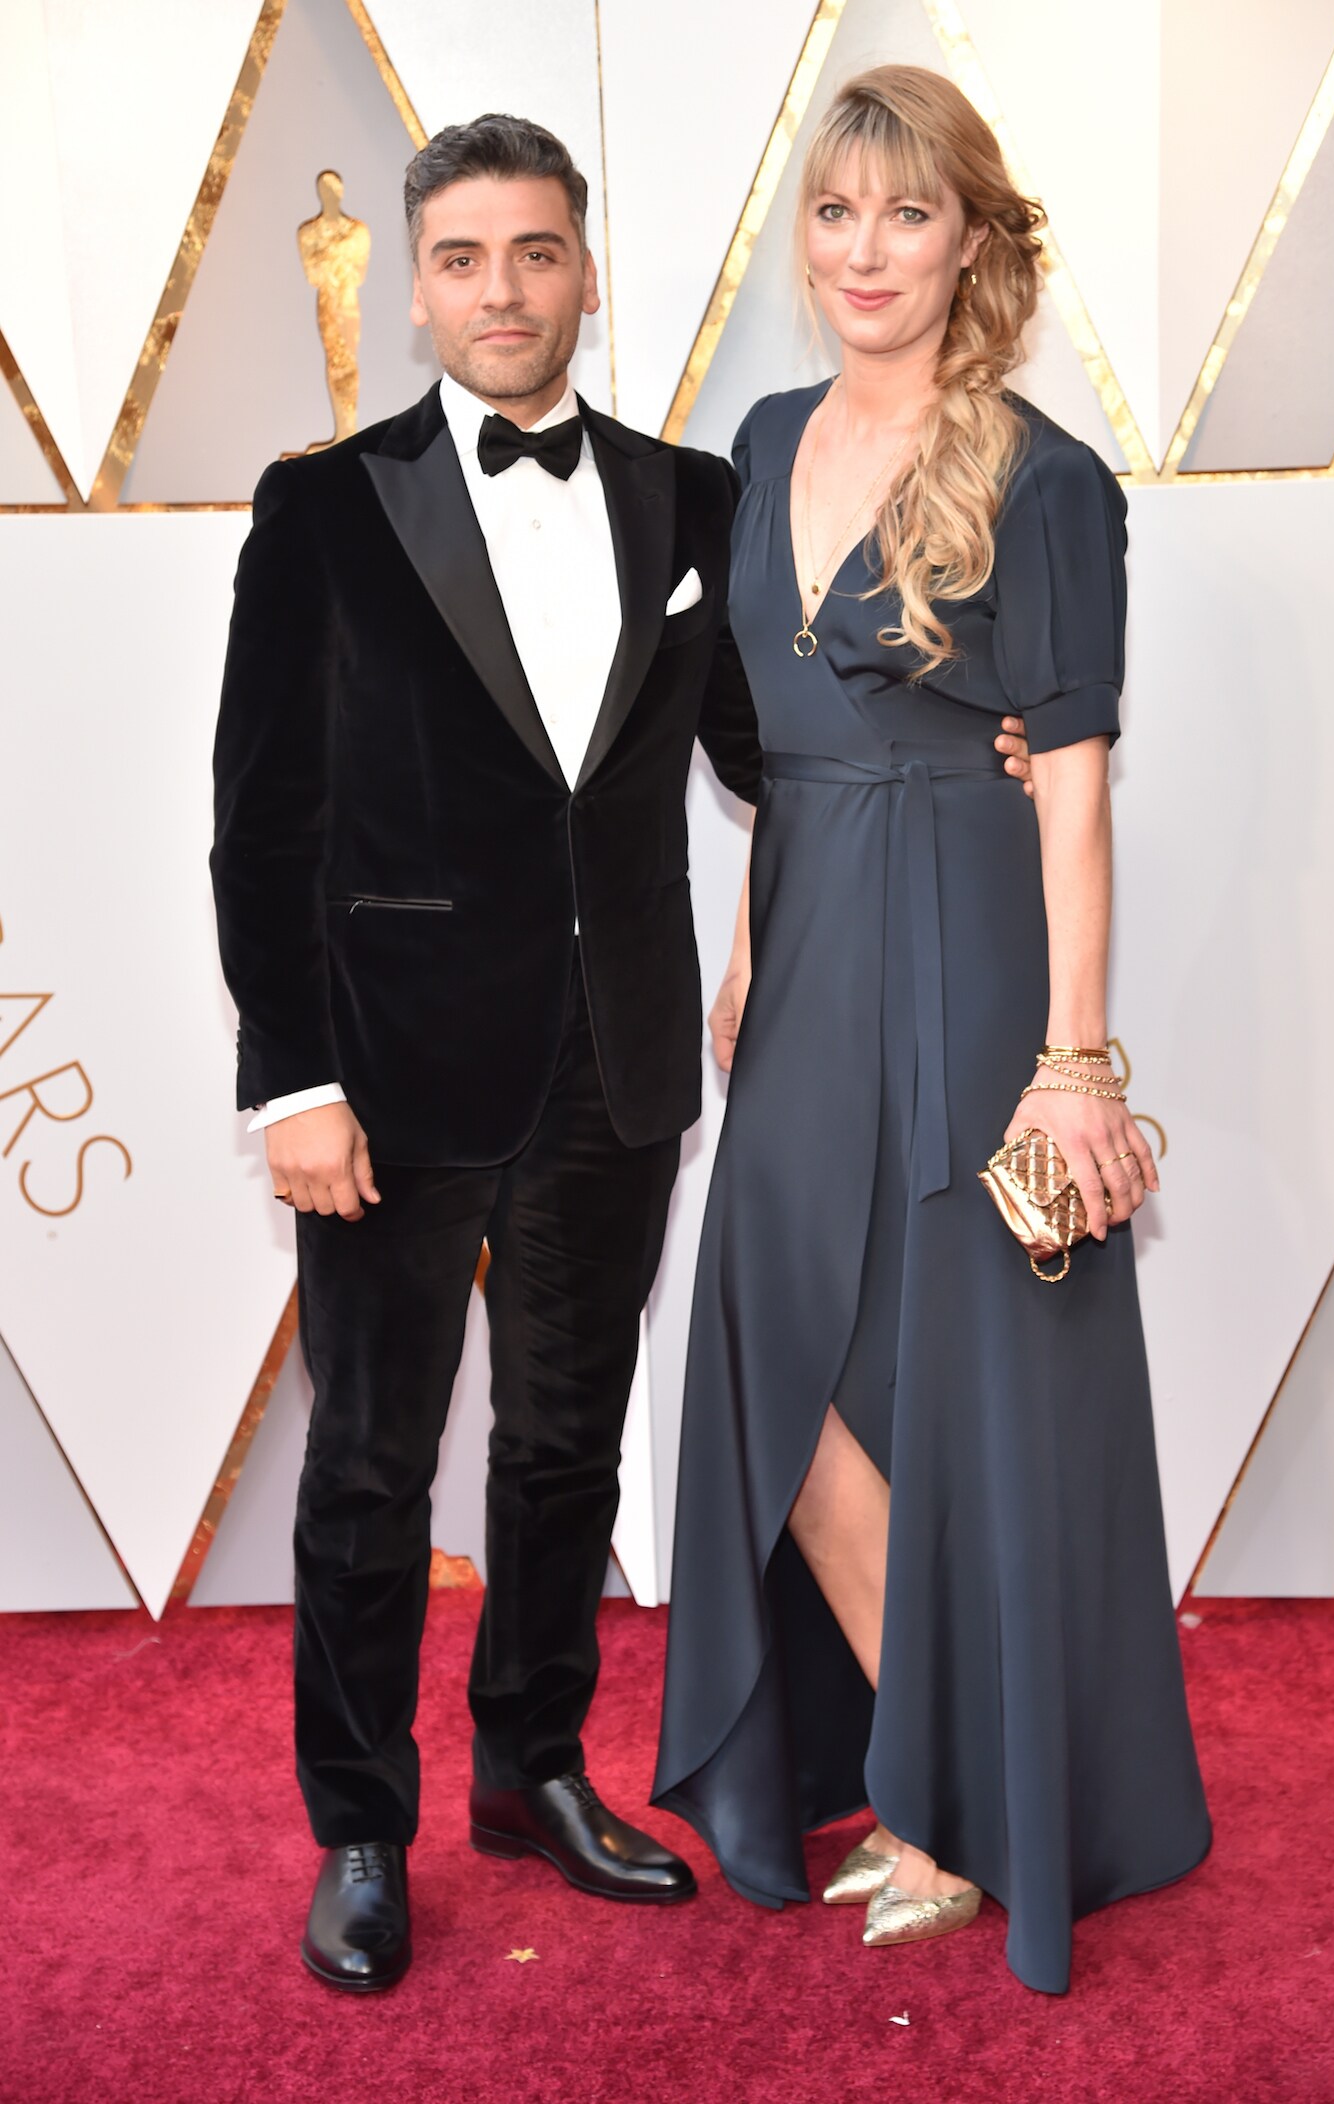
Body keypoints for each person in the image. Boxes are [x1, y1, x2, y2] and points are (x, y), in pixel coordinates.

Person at [210, 102, 1047, 1993]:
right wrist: (292, 1078)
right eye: (460, 259)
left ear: (583, 271)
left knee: (563, 1450)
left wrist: (971, 737)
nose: (500, 290)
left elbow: (775, 747)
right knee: (366, 1463)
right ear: (418, 292)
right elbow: (260, 822)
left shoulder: (690, 500)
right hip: (389, 1080)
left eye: (533, 252)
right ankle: (363, 1822)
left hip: (617, 1068)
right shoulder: (323, 509)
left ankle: (530, 1773)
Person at [652, 66, 1211, 1997]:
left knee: (969, 1379)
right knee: (772, 1374)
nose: (864, 251)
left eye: (906, 214)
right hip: (805, 944)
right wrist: (747, 930)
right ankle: (943, 1758)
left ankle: (938, 1814)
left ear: (972, 237)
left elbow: (1071, 785)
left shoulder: (1043, 475)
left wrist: (1074, 1058)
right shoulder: (765, 433)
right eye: (834, 214)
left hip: (976, 954)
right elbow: (767, 732)